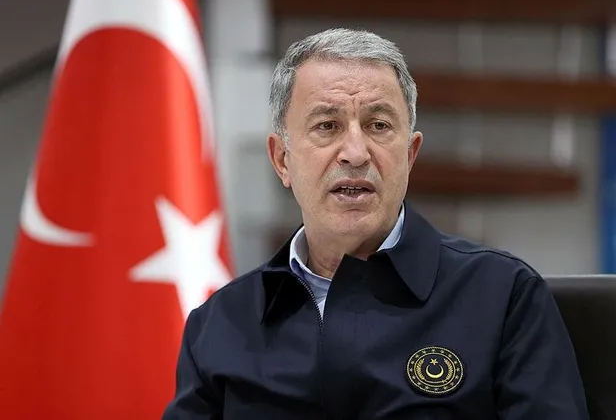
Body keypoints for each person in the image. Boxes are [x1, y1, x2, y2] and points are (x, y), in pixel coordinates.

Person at [162, 28, 588, 419]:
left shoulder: (502, 296)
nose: (355, 152)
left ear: (410, 155)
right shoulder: (220, 324)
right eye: (327, 126)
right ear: (282, 160)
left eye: (378, 126)